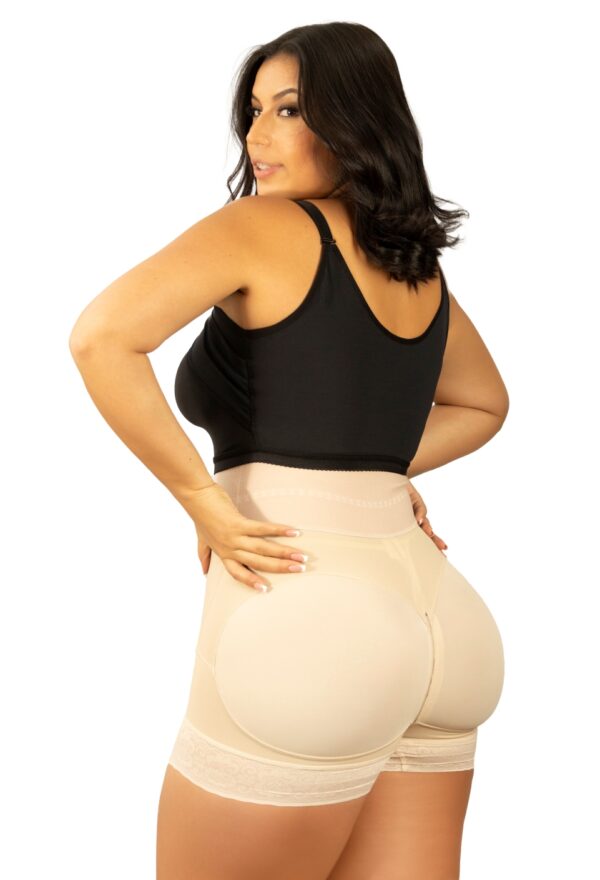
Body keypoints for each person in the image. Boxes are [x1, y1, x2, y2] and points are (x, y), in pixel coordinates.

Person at [69, 21, 509, 880]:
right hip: (443, 623)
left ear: (354, 120)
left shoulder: (260, 227)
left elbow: (102, 338)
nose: (256, 135)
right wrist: (384, 472)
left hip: (306, 608)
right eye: (253, 110)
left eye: (289, 109)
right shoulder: (415, 267)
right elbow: (483, 404)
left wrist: (203, 502)